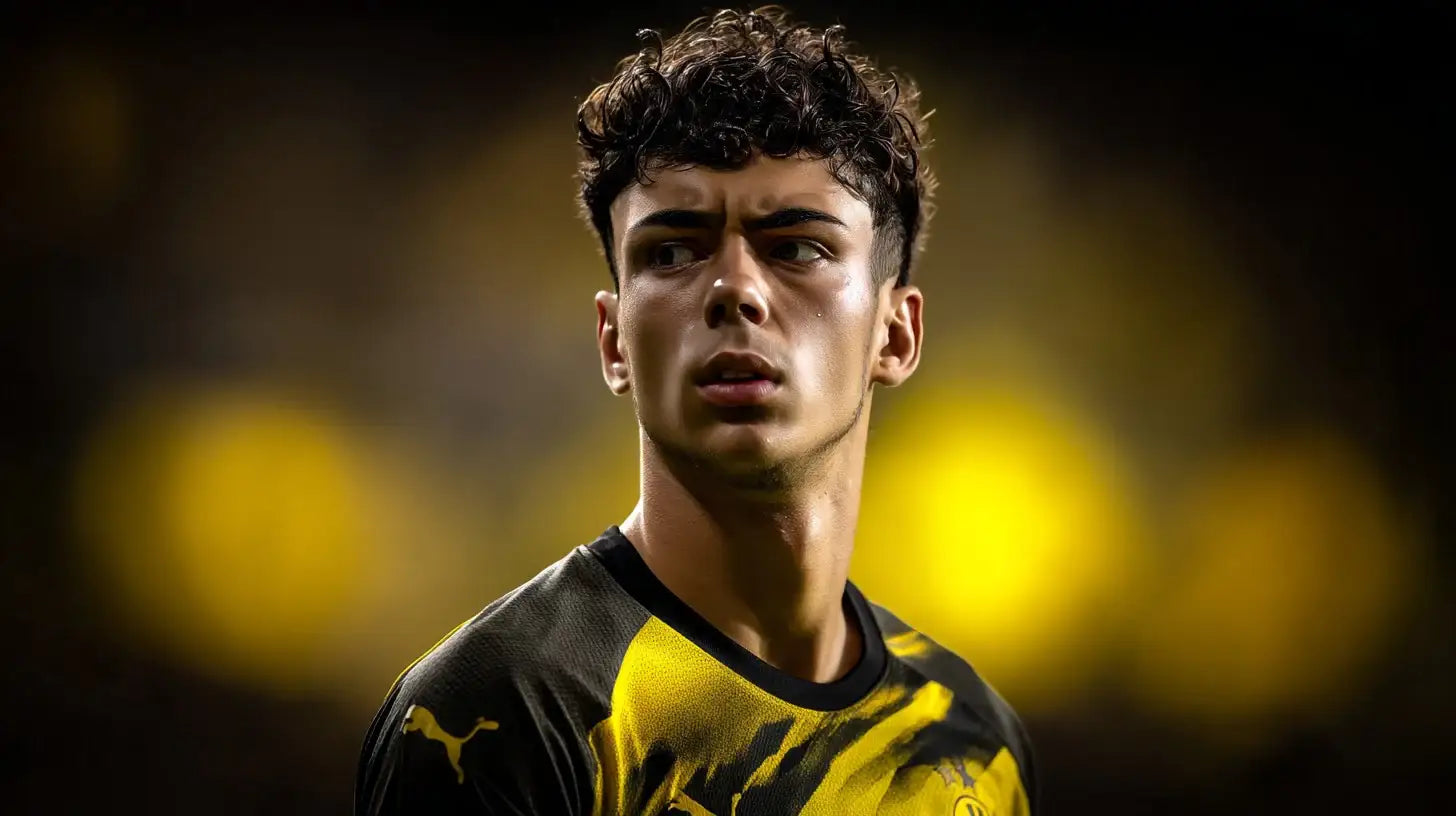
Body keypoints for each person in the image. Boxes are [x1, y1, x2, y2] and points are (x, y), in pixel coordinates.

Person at [355, 6, 1037, 814]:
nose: (736, 289)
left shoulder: (974, 739)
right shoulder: (504, 710)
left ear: (895, 332)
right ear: (613, 343)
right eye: (672, 251)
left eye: (798, 247)